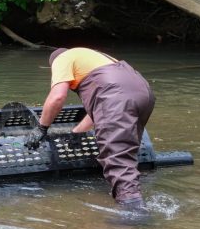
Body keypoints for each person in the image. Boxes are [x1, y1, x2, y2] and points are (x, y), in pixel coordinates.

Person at [24, 47, 155, 210]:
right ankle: (128, 195)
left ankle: (133, 212)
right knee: (126, 148)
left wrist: (41, 128)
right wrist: (77, 133)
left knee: (118, 156)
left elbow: (57, 96)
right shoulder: (92, 58)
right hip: (142, 92)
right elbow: (100, 110)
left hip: (115, 95)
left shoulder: (61, 59)